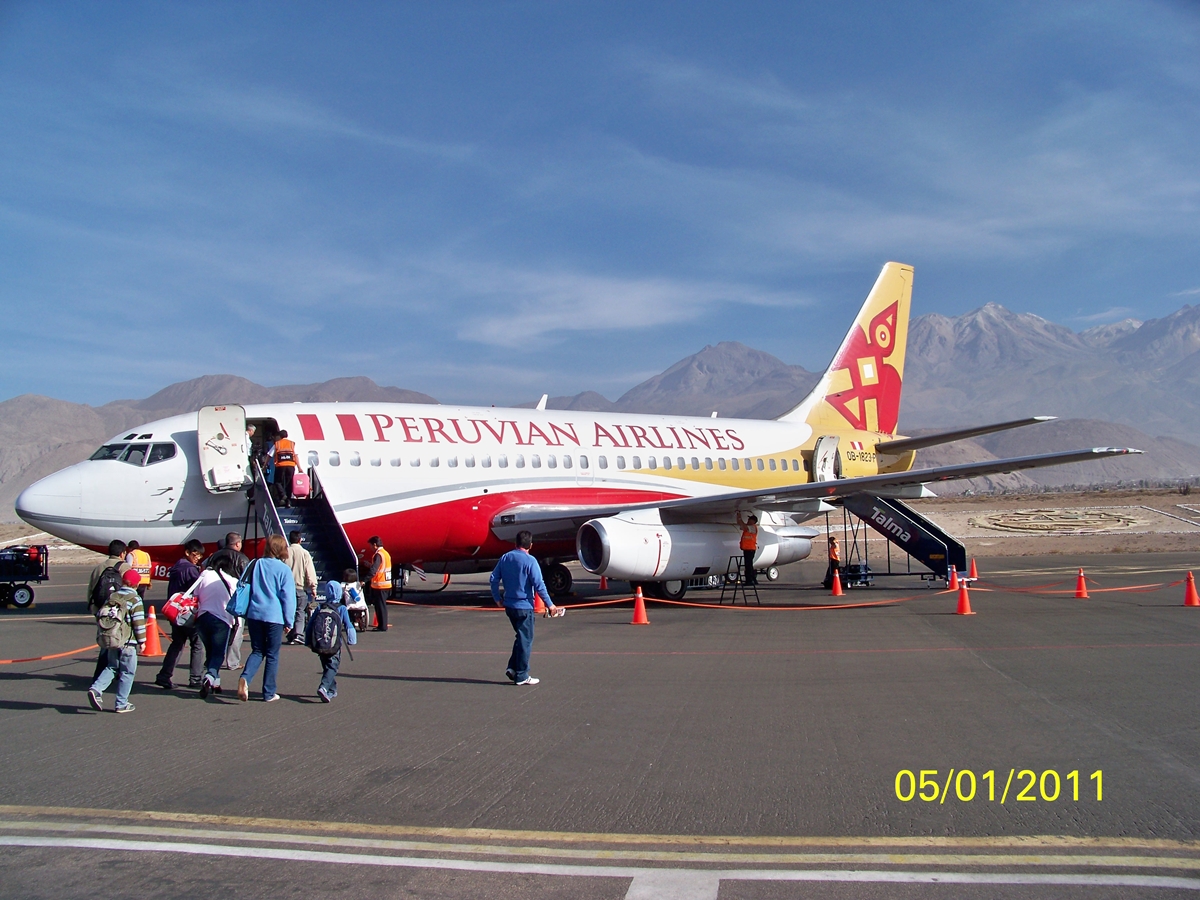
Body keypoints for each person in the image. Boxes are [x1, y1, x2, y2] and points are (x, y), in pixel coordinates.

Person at [489, 531, 561, 686]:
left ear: (516, 543)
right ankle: (522, 675)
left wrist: (497, 599)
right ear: (531, 545)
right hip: (524, 606)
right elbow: (539, 585)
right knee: (525, 640)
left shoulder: (506, 557)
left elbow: (493, 578)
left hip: (509, 605)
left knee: (521, 637)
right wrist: (550, 604)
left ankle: (512, 668)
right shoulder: (530, 561)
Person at [237, 534, 297, 702]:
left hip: (254, 614)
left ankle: (246, 677)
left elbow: (243, 583)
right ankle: (269, 692)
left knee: (257, 650)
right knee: (272, 654)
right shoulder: (284, 569)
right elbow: (288, 597)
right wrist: (289, 620)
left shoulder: (255, 564)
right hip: (274, 616)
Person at [87, 568, 146, 713]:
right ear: (136, 584)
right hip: (128, 642)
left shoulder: (113, 596)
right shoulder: (135, 599)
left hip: (113, 639)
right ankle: (121, 703)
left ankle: (96, 688)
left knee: (112, 667)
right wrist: (142, 641)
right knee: (127, 672)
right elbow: (138, 623)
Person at [155, 539, 206, 690]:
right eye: (196, 554)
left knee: (177, 643)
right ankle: (195, 678)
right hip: (187, 612)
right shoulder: (190, 569)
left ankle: (164, 674)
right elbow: (197, 589)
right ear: (188, 553)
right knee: (197, 643)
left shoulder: (176, 567)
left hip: (175, 611)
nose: (198, 558)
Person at [192, 555, 240, 698]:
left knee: (210, 651)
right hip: (221, 620)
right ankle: (210, 676)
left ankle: (215, 683)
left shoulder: (205, 574)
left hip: (202, 618)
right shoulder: (232, 581)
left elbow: (196, 594)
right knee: (218, 653)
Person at [87, 540, 132, 681]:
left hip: (102, 610)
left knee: (105, 641)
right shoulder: (125, 568)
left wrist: (94, 609)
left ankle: (101, 673)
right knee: (120, 642)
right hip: (119, 611)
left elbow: (91, 590)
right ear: (122, 553)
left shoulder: (99, 568)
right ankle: (114, 673)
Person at [305, 580, 357, 702]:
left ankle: (331, 690)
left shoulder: (320, 607)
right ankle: (323, 687)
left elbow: (310, 625)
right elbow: (348, 625)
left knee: (327, 667)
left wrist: (308, 641)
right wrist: (351, 640)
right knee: (333, 667)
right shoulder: (342, 608)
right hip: (334, 644)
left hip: (320, 643)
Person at [206, 533, 249, 669]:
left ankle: (213, 659)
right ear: (237, 544)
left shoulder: (214, 556)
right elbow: (246, 579)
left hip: (214, 594)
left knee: (217, 630)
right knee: (237, 629)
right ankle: (232, 661)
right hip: (234, 597)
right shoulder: (242, 558)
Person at [285, 531, 318, 644]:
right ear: (300, 540)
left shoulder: (285, 553)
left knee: (289, 611)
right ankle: (298, 634)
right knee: (300, 611)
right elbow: (310, 572)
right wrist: (313, 587)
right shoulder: (305, 553)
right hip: (299, 587)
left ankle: (290, 632)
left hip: (286, 588)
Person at [365, 536, 392, 632]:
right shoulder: (385, 554)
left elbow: (374, 570)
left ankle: (382, 626)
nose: (370, 548)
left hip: (380, 585)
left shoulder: (378, 555)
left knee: (380, 607)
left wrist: (365, 580)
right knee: (382, 606)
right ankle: (382, 624)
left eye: (371, 546)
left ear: (375, 545)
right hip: (386, 584)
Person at [270, 429, 298, 507]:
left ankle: (283, 495)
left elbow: (269, 454)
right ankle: (288, 502)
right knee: (289, 484)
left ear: (280, 436)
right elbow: (295, 456)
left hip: (280, 466)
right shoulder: (291, 444)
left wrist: (264, 466)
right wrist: (299, 467)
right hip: (291, 466)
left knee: (277, 482)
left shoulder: (277, 444)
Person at [341, 568, 370, 632]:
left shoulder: (343, 585)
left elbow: (341, 594)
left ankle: (351, 621)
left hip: (349, 605)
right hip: (361, 604)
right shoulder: (358, 584)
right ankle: (359, 621)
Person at [737, 512, 759, 586]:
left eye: (750, 519)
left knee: (748, 565)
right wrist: (738, 517)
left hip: (750, 549)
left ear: (753, 521)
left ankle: (749, 580)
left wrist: (740, 518)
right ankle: (753, 579)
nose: (748, 520)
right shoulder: (749, 527)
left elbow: (743, 526)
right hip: (747, 549)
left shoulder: (752, 527)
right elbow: (741, 525)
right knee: (749, 565)